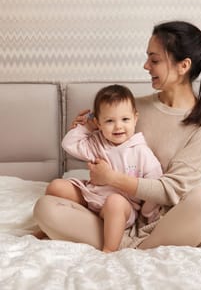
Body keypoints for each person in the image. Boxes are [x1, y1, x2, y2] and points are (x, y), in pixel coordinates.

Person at [34, 20, 201, 250]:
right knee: (45, 207)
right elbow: (98, 145)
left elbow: (171, 190)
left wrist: (111, 179)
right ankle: (122, 242)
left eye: (154, 59)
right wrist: (82, 128)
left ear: (183, 65)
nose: (146, 66)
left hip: (165, 224)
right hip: (114, 215)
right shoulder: (130, 110)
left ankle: (139, 245)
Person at [35, 84, 162, 252]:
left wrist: (147, 216)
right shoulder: (97, 141)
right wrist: (86, 127)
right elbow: (69, 144)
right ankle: (51, 226)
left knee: (115, 202)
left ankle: (109, 249)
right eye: (109, 121)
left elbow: (154, 186)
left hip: (122, 207)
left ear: (135, 118)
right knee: (56, 186)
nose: (118, 126)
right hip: (92, 197)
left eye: (125, 119)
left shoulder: (141, 151)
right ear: (98, 123)